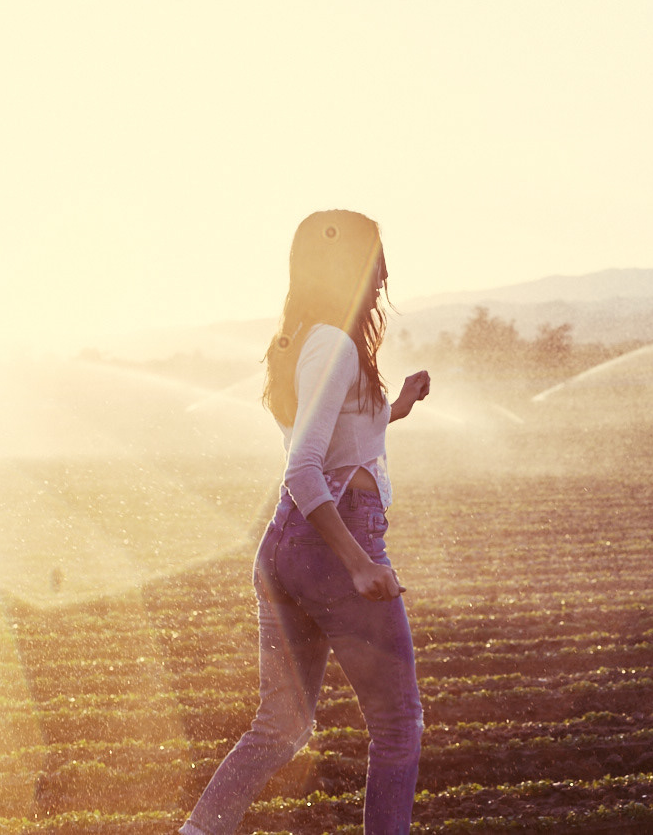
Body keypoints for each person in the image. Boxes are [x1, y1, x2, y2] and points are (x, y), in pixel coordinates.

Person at [182, 209, 431, 835]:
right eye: (373, 259)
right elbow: (302, 467)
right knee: (399, 727)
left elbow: (331, 438)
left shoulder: (311, 340)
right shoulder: (335, 347)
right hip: (331, 543)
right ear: (348, 266)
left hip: (287, 548)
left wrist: (393, 407)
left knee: (283, 727)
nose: (382, 274)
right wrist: (358, 563)